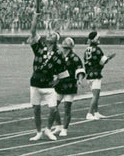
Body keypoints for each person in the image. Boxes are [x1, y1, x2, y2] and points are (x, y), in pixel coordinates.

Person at [26, 11, 64, 141]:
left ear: (56, 39)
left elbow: (62, 71)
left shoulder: (58, 54)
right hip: (35, 82)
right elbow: (32, 32)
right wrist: (35, 18)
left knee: (53, 109)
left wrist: (57, 80)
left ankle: (48, 129)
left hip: (48, 84)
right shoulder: (39, 47)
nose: (49, 35)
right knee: (36, 109)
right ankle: (38, 132)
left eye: (53, 35)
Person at [53, 37, 86, 137]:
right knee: (53, 106)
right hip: (59, 85)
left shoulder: (75, 58)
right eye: (64, 48)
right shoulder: (58, 57)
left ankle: (64, 129)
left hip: (70, 85)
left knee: (67, 107)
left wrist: (79, 80)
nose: (64, 50)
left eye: (66, 48)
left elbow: (80, 70)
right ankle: (58, 125)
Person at [84, 31, 116, 120]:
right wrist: (109, 57)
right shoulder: (97, 49)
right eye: (97, 38)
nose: (99, 40)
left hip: (89, 74)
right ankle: (90, 113)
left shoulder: (87, 50)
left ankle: (96, 112)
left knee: (95, 94)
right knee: (96, 95)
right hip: (95, 74)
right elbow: (102, 61)